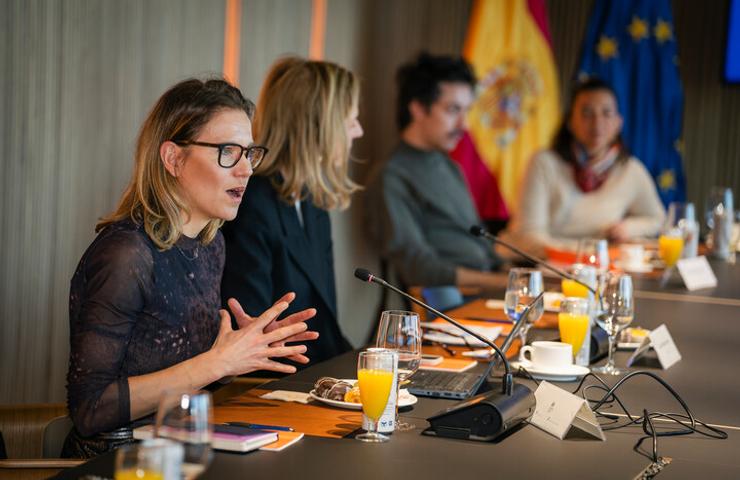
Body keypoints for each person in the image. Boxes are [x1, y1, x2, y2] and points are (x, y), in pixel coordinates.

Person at [64, 78, 318, 458]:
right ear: (173, 158)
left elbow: (189, 377)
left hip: (185, 446)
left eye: (250, 153)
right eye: (229, 151)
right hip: (120, 461)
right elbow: (90, 410)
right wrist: (217, 362)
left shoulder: (209, 244)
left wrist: (243, 353)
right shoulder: (126, 254)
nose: (246, 169)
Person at [221, 57, 362, 367]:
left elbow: (324, 326)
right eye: (351, 120)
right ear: (319, 127)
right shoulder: (252, 206)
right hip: (272, 388)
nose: (359, 131)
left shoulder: (312, 200)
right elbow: (252, 339)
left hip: (315, 378)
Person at [365, 52, 502, 292]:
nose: (464, 125)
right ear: (418, 108)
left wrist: (529, 273)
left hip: (485, 291)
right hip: (447, 303)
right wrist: (503, 284)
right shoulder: (391, 176)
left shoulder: (450, 166)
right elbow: (418, 267)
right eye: (452, 110)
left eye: (466, 111)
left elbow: (483, 248)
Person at [500, 78, 666, 258]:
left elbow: (658, 219)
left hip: (599, 267)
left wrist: (628, 228)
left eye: (606, 113)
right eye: (587, 113)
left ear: (618, 123)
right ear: (570, 121)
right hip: (539, 264)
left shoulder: (631, 170)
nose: (597, 123)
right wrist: (587, 255)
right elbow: (529, 236)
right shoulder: (543, 163)